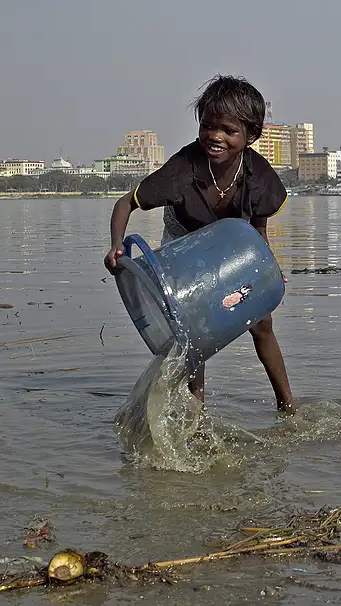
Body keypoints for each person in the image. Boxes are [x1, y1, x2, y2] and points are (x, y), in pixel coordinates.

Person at [103, 74, 295, 414]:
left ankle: (287, 407)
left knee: (262, 324)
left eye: (228, 130)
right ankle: (197, 412)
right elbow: (125, 203)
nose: (215, 136)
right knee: (192, 330)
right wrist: (117, 245)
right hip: (183, 241)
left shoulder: (260, 177)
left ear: (251, 135)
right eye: (207, 126)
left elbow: (258, 229)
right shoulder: (183, 168)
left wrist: (269, 268)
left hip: (234, 245)